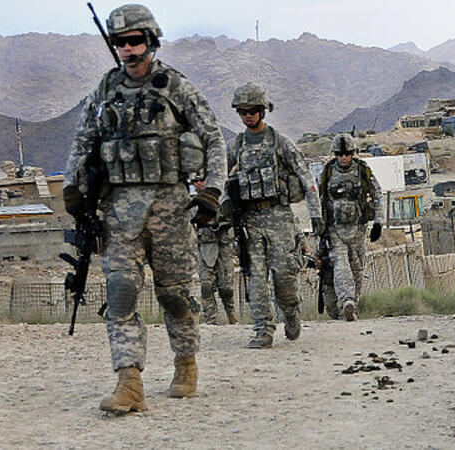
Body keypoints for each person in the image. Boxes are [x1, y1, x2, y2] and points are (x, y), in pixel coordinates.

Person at [63, 4, 227, 414]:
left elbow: (214, 138)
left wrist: (212, 191)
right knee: (121, 293)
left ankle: (185, 362)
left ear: (151, 41)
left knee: (175, 295)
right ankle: (129, 382)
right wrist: (72, 189)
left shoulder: (175, 87)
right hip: (119, 213)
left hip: (170, 208)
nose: (127, 49)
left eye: (135, 41)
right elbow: (83, 142)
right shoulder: (105, 89)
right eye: (120, 42)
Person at [225, 82, 323, 348]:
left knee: (284, 276)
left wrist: (315, 214)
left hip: (279, 218)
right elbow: (221, 179)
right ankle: (263, 330)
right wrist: (222, 209)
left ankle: (290, 312)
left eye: (252, 110)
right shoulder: (236, 146)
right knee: (256, 279)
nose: (248, 116)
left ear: (262, 110)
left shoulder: (280, 143)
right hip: (250, 222)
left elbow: (307, 178)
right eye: (242, 111)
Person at [318, 134, 383, 320]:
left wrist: (378, 221)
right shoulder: (327, 172)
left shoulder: (363, 170)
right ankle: (346, 300)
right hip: (335, 228)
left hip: (358, 228)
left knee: (357, 268)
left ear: (353, 153)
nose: (344, 158)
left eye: (347, 154)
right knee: (340, 264)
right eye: (340, 154)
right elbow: (318, 199)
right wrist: (318, 226)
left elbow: (377, 194)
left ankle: (352, 306)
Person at [194, 180, 238, 325]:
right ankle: (210, 320)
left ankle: (232, 316)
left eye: (201, 181)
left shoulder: (224, 197)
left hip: (224, 245)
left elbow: (233, 217)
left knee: (226, 287)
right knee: (206, 285)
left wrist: (221, 221)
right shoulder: (193, 202)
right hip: (204, 246)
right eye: (195, 182)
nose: (198, 184)